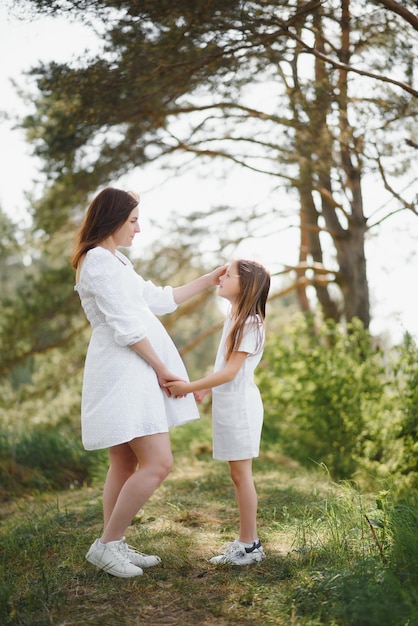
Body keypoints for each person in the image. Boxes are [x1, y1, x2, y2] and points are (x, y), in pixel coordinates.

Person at [71, 187, 225, 578]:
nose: (138, 229)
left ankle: (114, 542)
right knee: (159, 463)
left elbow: (158, 299)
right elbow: (125, 326)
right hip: (126, 369)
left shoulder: (116, 261)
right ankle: (105, 546)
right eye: (134, 220)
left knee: (124, 461)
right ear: (113, 220)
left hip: (133, 367)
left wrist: (208, 280)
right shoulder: (97, 262)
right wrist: (160, 367)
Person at [166, 259, 270, 566]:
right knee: (237, 475)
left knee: (241, 475)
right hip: (230, 405)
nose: (221, 277)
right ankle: (246, 541)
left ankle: (250, 546)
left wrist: (188, 386)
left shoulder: (251, 322)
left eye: (229, 274)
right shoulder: (235, 317)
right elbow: (225, 368)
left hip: (241, 408)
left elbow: (232, 373)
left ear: (246, 284)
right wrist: (205, 389)